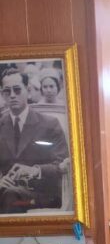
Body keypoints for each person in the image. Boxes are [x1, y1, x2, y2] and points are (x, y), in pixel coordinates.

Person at [0, 67, 69, 212]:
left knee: (11, 196)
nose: (12, 95)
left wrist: (35, 170)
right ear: (2, 94)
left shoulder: (49, 124)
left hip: (41, 196)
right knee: (8, 194)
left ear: (28, 90)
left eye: (17, 90)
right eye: (7, 91)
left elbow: (62, 164)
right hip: (6, 192)